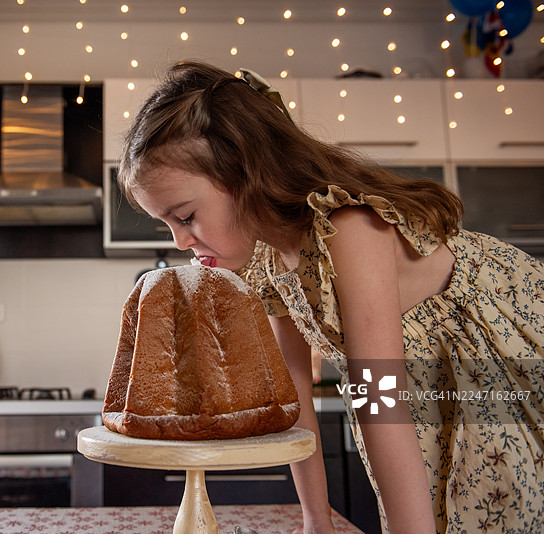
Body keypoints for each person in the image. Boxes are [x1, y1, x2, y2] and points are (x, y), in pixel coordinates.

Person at [116, 59, 544, 534]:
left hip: (504, 358)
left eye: (186, 216)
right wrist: (316, 520)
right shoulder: (268, 264)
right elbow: (293, 394)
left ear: (245, 175)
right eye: (168, 224)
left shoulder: (347, 230)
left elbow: (379, 398)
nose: (179, 241)